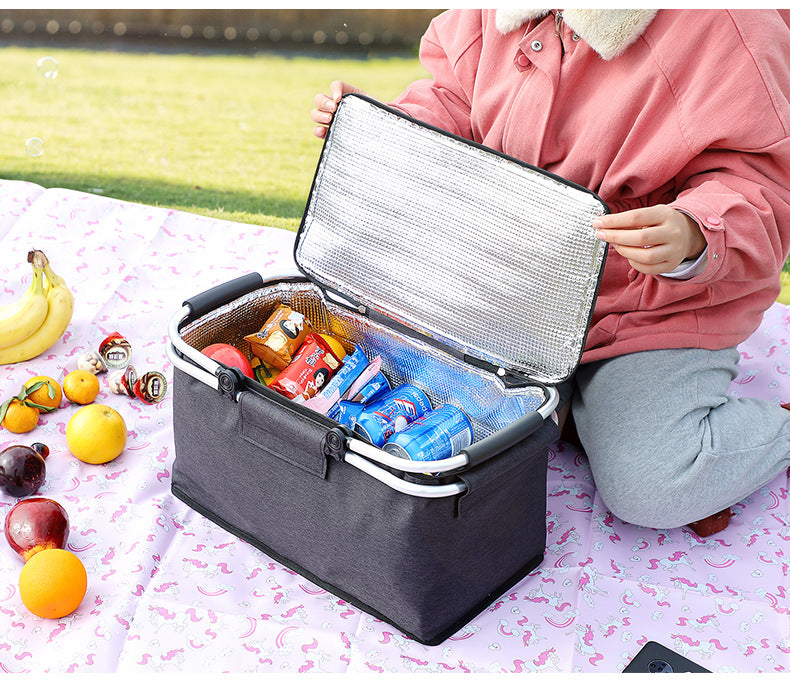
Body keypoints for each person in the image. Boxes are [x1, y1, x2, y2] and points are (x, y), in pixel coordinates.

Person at [310, 9, 790, 536]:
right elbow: (452, 100)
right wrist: (383, 128)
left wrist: (696, 233)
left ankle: (743, 437)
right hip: (508, 288)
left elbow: (763, 181)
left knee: (653, 485)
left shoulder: (729, 24)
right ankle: (580, 413)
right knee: (373, 384)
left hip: (645, 313)